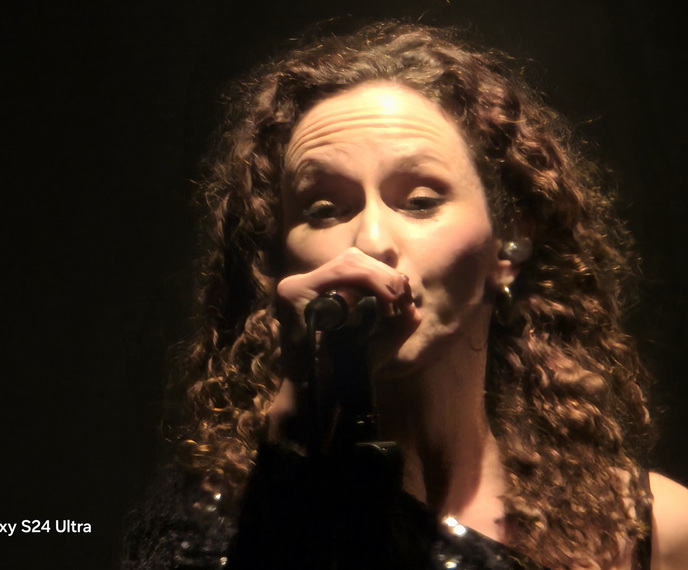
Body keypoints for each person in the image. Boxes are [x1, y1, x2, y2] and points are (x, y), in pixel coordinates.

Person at [122, 21, 688, 569]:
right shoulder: (212, 517)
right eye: (324, 209)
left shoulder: (651, 529)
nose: (371, 241)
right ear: (277, 265)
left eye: (420, 201)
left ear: (508, 246)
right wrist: (294, 440)